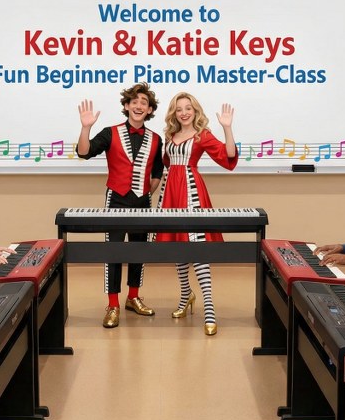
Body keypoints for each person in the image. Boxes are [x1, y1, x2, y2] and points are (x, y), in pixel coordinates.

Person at [77, 82, 164, 328]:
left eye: (143, 103)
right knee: (113, 252)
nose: (138, 106)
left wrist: (149, 189)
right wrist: (85, 128)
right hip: (115, 199)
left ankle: (133, 298)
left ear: (149, 110)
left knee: (139, 251)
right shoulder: (110, 132)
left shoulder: (155, 139)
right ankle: (113, 304)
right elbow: (84, 152)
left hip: (142, 201)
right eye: (134, 101)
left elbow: (158, 169)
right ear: (126, 106)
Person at [154, 92, 239, 336]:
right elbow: (163, 164)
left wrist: (227, 128)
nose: (183, 112)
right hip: (170, 192)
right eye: (179, 109)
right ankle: (185, 296)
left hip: (191, 191)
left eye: (188, 108)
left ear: (195, 110)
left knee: (197, 247)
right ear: (174, 113)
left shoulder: (202, 135)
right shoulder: (169, 136)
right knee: (177, 247)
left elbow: (228, 156)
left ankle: (209, 307)